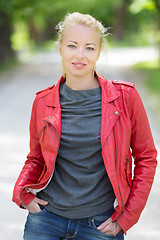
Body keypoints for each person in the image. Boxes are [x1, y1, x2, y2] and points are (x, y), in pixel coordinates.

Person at [12, 12, 157, 240]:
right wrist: (22, 192)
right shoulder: (42, 102)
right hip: (46, 220)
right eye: (72, 46)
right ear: (60, 48)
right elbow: (36, 158)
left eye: (89, 48)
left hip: (100, 224)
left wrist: (127, 217)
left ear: (99, 51)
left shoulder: (125, 97)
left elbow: (146, 157)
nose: (80, 55)